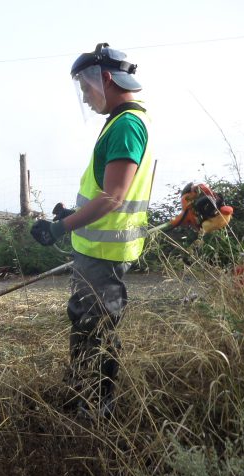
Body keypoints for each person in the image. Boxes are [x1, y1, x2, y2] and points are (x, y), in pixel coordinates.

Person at [30, 43, 154, 418]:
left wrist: (59, 228)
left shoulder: (127, 125)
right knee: (85, 325)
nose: (84, 97)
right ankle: (83, 394)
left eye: (85, 87)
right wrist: (75, 212)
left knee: (97, 331)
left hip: (105, 255)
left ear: (104, 79)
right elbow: (106, 194)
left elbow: (114, 198)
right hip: (96, 253)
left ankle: (97, 409)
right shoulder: (120, 123)